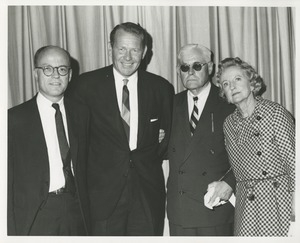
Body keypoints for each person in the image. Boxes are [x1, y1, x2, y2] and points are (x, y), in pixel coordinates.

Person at [68, 22, 174, 236]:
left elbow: (166, 140)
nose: (128, 56)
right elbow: (77, 140)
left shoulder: (161, 88)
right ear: (111, 49)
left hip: (146, 193)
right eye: (121, 49)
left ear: (144, 52)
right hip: (102, 196)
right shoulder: (85, 86)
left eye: (134, 49)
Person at [8, 45, 90, 235]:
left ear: (69, 75)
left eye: (62, 69)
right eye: (47, 69)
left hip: (76, 212)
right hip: (35, 216)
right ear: (36, 74)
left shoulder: (81, 113)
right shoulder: (13, 120)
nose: (55, 75)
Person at [216, 57, 295, 236]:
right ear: (224, 93)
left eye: (237, 79)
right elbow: (239, 170)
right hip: (246, 205)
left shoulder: (274, 113)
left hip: (278, 202)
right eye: (226, 84)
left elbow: (294, 165)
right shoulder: (228, 124)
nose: (232, 87)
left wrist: (295, 215)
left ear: (252, 84)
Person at [166, 44, 235, 236]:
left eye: (197, 66)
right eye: (184, 67)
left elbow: (249, 154)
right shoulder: (169, 104)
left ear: (210, 68)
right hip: (180, 210)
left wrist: (230, 183)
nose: (190, 72)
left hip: (215, 206)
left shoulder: (228, 103)